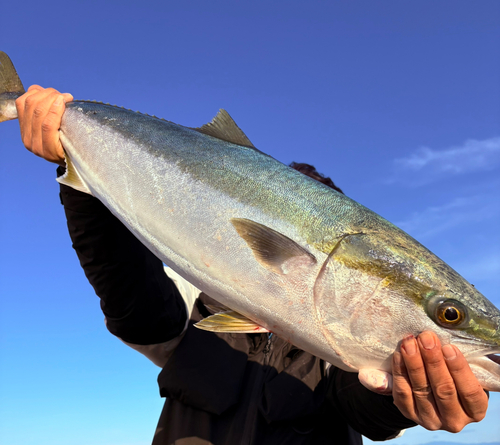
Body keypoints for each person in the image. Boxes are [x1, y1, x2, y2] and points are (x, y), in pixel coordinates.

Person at [16, 86, 489, 445]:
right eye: (450, 313)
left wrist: (402, 397)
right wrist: (79, 182)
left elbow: (364, 408)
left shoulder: (344, 356)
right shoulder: (197, 303)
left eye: (450, 313)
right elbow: (131, 299)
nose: (450, 320)